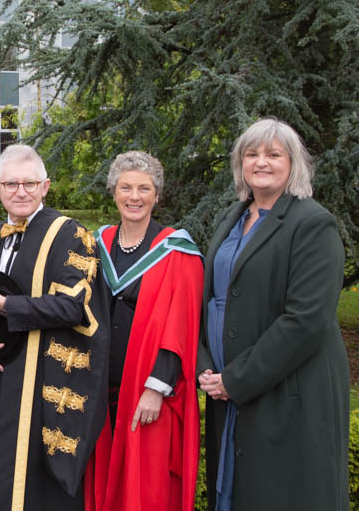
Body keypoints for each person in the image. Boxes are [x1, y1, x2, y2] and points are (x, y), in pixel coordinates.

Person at [197, 117, 349, 511]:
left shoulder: (312, 224)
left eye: (273, 154)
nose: (261, 162)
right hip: (226, 391)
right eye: (252, 154)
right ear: (240, 164)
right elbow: (210, 296)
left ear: (293, 163)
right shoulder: (231, 218)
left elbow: (306, 320)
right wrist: (206, 366)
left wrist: (237, 379)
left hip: (285, 392)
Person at [0, 144, 110, 511]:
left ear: (46, 187)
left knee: (40, 486)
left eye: (30, 183)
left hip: (42, 378)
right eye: (11, 184)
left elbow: (74, 306)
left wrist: (6, 305)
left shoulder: (73, 236)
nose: (21, 191)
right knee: (2, 476)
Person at [86, 151, 203, 511]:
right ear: (114, 191)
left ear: (157, 195)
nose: (134, 197)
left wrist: (156, 388)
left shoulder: (176, 250)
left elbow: (182, 326)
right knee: (102, 480)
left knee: (145, 486)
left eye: (144, 188)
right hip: (100, 384)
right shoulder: (96, 244)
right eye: (125, 187)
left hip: (148, 390)